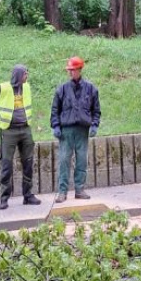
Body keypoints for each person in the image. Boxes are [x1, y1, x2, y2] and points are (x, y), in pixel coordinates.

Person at [0, 64, 41, 210]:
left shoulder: (26, 87)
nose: (27, 76)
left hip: (25, 130)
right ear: (18, 75)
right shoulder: (3, 88)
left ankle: (28, 195)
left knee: (28, 163)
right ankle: (4, 198)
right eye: (25, 74)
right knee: (6, 165)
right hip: (8, 131)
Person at [51, 56, 101, 203]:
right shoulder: (62, 89)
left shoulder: (91, 89)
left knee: (82, 161)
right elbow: (55, 110)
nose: (70, 73)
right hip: (66, 131)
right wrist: (55, 126)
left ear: (79, 70)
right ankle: (62, 192)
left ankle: (79, 189)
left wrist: (94, 124)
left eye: (72, 70)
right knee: (64, 160)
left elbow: (96, 110)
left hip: (82, 130)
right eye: (69, 70)